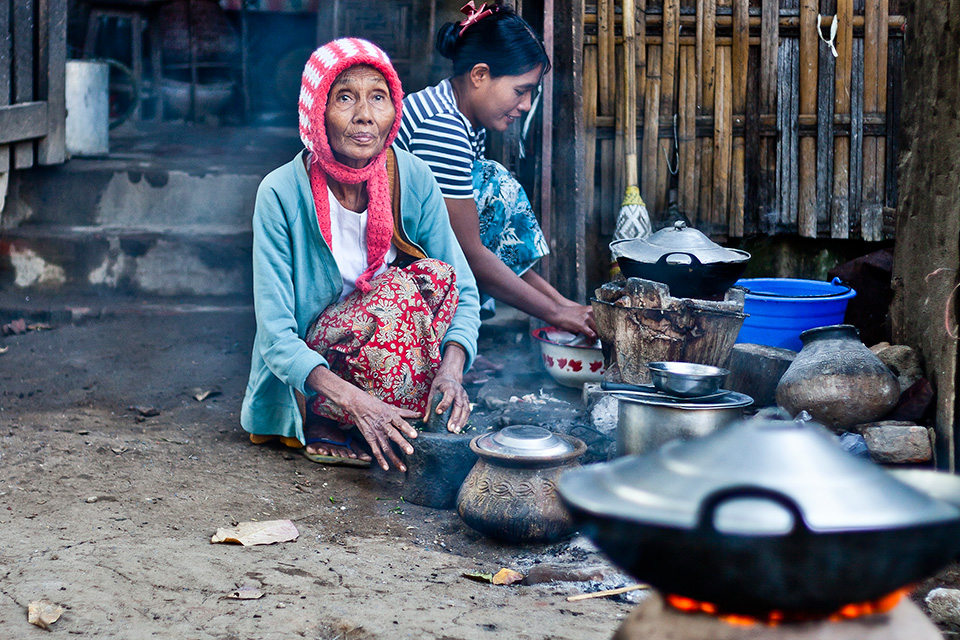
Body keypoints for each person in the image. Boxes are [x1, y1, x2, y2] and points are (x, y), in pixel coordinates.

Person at [240, 38, 481, 472]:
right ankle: (330, 416)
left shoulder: (412, 176)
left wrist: (451, 370)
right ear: (317, 111)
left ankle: (390, 413)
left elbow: (462, 286)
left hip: (383, 342)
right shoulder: (279, 192)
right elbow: (275, 336)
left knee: (433, 278)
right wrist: (357, 401)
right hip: (322, 355)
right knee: (396, 297)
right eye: (345, 97)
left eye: (378, 97)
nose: (365, 115)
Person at [396, 2, 595, 339]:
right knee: (496, 184)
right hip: (386, 269)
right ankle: (436, 346)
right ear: (480, 75)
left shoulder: (463, 119)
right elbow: (468, 253)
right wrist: (556, 314)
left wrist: (566, 306)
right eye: (521, 91)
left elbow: (495, 247)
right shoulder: (442, 126)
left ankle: (451, 342)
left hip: (421, 251)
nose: (526, 105)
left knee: (492, 185)